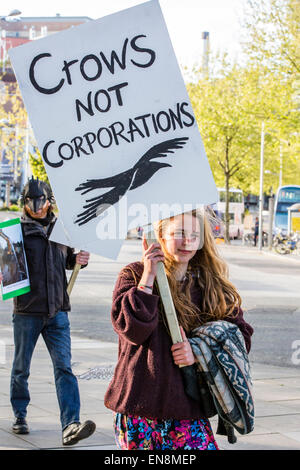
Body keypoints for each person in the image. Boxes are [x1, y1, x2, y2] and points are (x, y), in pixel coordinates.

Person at [104, 209, 254, 451]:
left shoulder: (210, 285)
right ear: (159, 235)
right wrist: (149, 278)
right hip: (139, 412)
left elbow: (240, 337)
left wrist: (197, 351)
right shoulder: (133, 274)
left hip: (189, 411)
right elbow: (132, 331)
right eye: (179, 233)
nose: (187, 242)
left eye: (195, 235)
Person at [7, 177, 96, 446]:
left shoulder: (62, 229)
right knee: (21, 368)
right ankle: (20, 414)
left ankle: (70, 424)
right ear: (24, 203)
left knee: (64, 368)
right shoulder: (15, 231)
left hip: (57, 310)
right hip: (27, 311)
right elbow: (9, 272)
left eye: (40, 200)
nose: (36, 205)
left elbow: (67, 260)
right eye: (30, 201)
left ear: (49, 201)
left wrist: (78, 259)